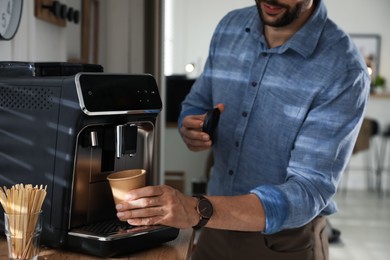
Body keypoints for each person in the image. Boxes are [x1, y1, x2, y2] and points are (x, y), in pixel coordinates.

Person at [115, 0, 370, 259]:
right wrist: (190, 124)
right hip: (213, 228)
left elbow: (307, 191)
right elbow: (197, 102)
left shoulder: (344, 70)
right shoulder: (230, 26)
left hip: (283, 242)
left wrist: (195, 209)